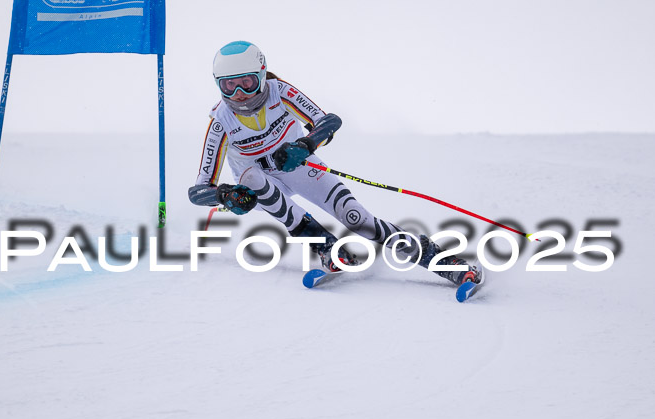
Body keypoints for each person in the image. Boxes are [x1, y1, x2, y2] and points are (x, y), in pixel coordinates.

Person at [188, 40, 481, 286]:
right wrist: (226, 195)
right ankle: (326, 246)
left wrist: (305, 145)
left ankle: (443, 262)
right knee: (251, 177)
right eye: (229, 86)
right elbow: (198, 190)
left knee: (359, 221)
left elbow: (328, 121)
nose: (239, 94)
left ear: (262, 75)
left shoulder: (280, 92)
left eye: (247, 83)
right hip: (263, 185)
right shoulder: (221, 122)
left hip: (298, 167)